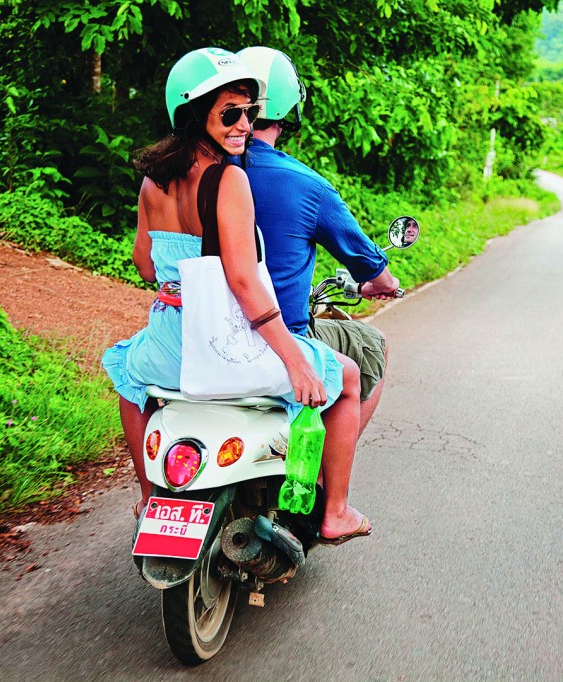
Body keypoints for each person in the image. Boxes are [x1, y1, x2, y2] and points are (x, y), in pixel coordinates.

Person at [102, 47, 371, 545]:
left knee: (128, 378)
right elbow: (245, 284)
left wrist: (178, 284)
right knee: (348, 378)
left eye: (249, 112)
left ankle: (148, 499)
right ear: (192, 115)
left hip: (168, 344)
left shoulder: (152, 180)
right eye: (231, 113)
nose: (245, 124)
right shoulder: (230, 179)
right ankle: (334, 511)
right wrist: (294, 360)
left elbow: (144, 263)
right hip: (223, 348)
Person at [236, 47, 400, 436]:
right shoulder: (307, 185)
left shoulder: (196, 173)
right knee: (371, 345)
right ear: (291, 106)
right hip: (285, 336)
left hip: (205, 334)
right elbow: (372, 267)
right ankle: (330, 492)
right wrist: (381, 285)